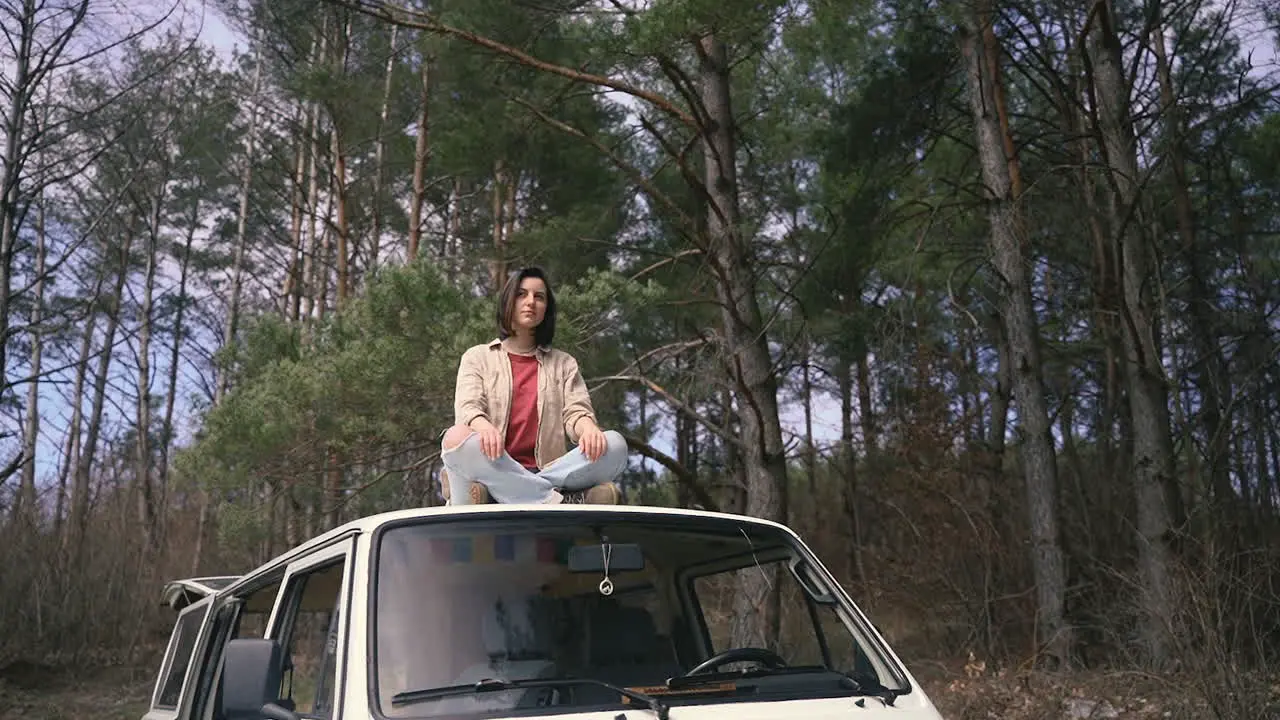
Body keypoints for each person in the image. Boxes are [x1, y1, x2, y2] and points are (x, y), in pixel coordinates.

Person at [440, 266, 627, 505]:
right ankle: (557, 501)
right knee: (456, 438)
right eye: (521, 294)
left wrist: (588, 428)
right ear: (508, 300)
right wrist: (484, 426)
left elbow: (575, 412)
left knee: (615, 445)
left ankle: (522, 492)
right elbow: (468, 408)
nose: (530, 302)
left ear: (546, 308)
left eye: (539, 297)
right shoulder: (477, 357)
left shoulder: (563, 363)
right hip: (493, 468)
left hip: (548, 471)